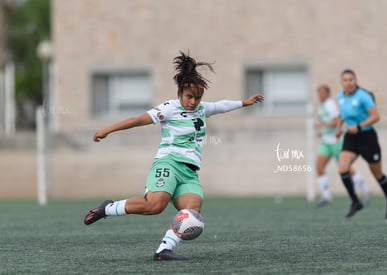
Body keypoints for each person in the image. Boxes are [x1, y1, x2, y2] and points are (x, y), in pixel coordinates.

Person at [83, 51, 264, 260]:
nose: (193, 101)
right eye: (189, 97)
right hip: (169, 163)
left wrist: (244, 102)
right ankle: (108, 208)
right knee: (154, 206)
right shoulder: (169, 108)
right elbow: (138, 119)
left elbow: (221, 105)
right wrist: (108, 129)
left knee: (193, 209)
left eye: (197, 97)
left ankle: (163, 250)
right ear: (180, 93)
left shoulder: (202, 109)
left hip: (189, 173)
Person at [335, 69, 387, 218]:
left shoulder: (363, 97)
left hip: (367, 138)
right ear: (341, 82)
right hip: (351, 138)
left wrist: (359, 126)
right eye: (345, 80)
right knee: (343, 169)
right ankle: (355, 202)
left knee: (378, 174)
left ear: (355, 81)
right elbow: (342, 114)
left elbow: (376, 116)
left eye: (351, 79)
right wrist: (338, 129)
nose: (348, 83)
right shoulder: (340, 97)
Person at [314, 84, 371, 208]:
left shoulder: (330, 105)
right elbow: (325, 123)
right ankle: (326, 196)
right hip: (326, 142)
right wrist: (321, 132)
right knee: (319, 167)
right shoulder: (322, 107)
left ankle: (365, 189)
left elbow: (335, 122)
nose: (320, 95)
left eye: (322, 92)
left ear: (327, 93)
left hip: (336, 142)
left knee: (346, 169)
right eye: (319, 93)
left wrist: (321, 125)